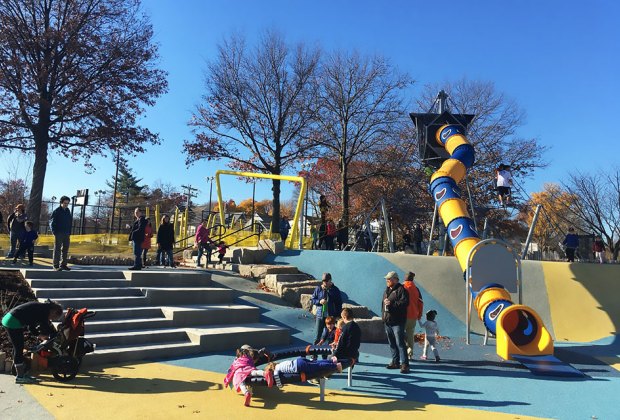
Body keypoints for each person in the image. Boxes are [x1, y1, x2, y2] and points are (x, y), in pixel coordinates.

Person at [1, 300, 64, 384]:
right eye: (53, 318)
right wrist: (51, 335)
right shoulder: (44, 311)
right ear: (54, 311)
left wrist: (39, 335)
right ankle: (20, 377)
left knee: (18, 347)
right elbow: (44, 325)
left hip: (10, 319)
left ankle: (19, 373)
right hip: (13, 321)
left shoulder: (42, 308)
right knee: (19, 348)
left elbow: (31, 325)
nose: (51, 319)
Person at [382, 271, 410, 373]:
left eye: (389, 279)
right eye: (386, 279)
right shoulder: (387, 290)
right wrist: (383, 318)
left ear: (395, 279)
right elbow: (383, 305)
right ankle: (395, 362)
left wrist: (392, 304)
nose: (387, 281)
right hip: (388, 321)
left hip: (398, 322)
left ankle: (405, 364)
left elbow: (405, 303)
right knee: (392, 343)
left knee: (400, 343)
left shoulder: (401, 290)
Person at [268, 356, 342, 389]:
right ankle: (332, 361)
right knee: (316, 363)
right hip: (299, 360)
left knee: (317, 367)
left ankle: (335, 366)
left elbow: (276, 377)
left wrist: (279, 385)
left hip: (299, 366)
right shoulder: (280, 364)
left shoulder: (276, 370)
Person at [310, 273, 343, 345]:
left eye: (326, 281)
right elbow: (312, 299)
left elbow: (339, 303)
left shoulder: (335, 290)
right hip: (320, 316)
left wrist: (337, 315)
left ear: (330, 280)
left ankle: (327, 355)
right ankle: (314, 354)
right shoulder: (318, 289)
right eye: (323, 281)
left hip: (330, 316)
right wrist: (319, 301)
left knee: (330, 337)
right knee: (317, 336)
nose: (324, 282)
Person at [403, 272, 423, 361]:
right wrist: (419, 315)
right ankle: (410, 352)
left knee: (400, 334)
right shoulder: (416, 289)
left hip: (402, 315)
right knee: (410, 334)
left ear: (405, 278)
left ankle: (403, 352)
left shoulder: (401, 287)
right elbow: (420, 303)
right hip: (413, 315)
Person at [50, 196, 72, 271]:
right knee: (57, 249)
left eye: (67, 203)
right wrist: (54, 231)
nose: (66, 204)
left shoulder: (68, 211)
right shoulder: (57, 211)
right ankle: (55, 265)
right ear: (61, 202)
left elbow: (69, 221)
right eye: (65, 203)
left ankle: (63, 264)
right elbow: (52, 222)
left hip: (66, 233)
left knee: (65, 249)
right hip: (58, 232)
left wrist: (69, 232)